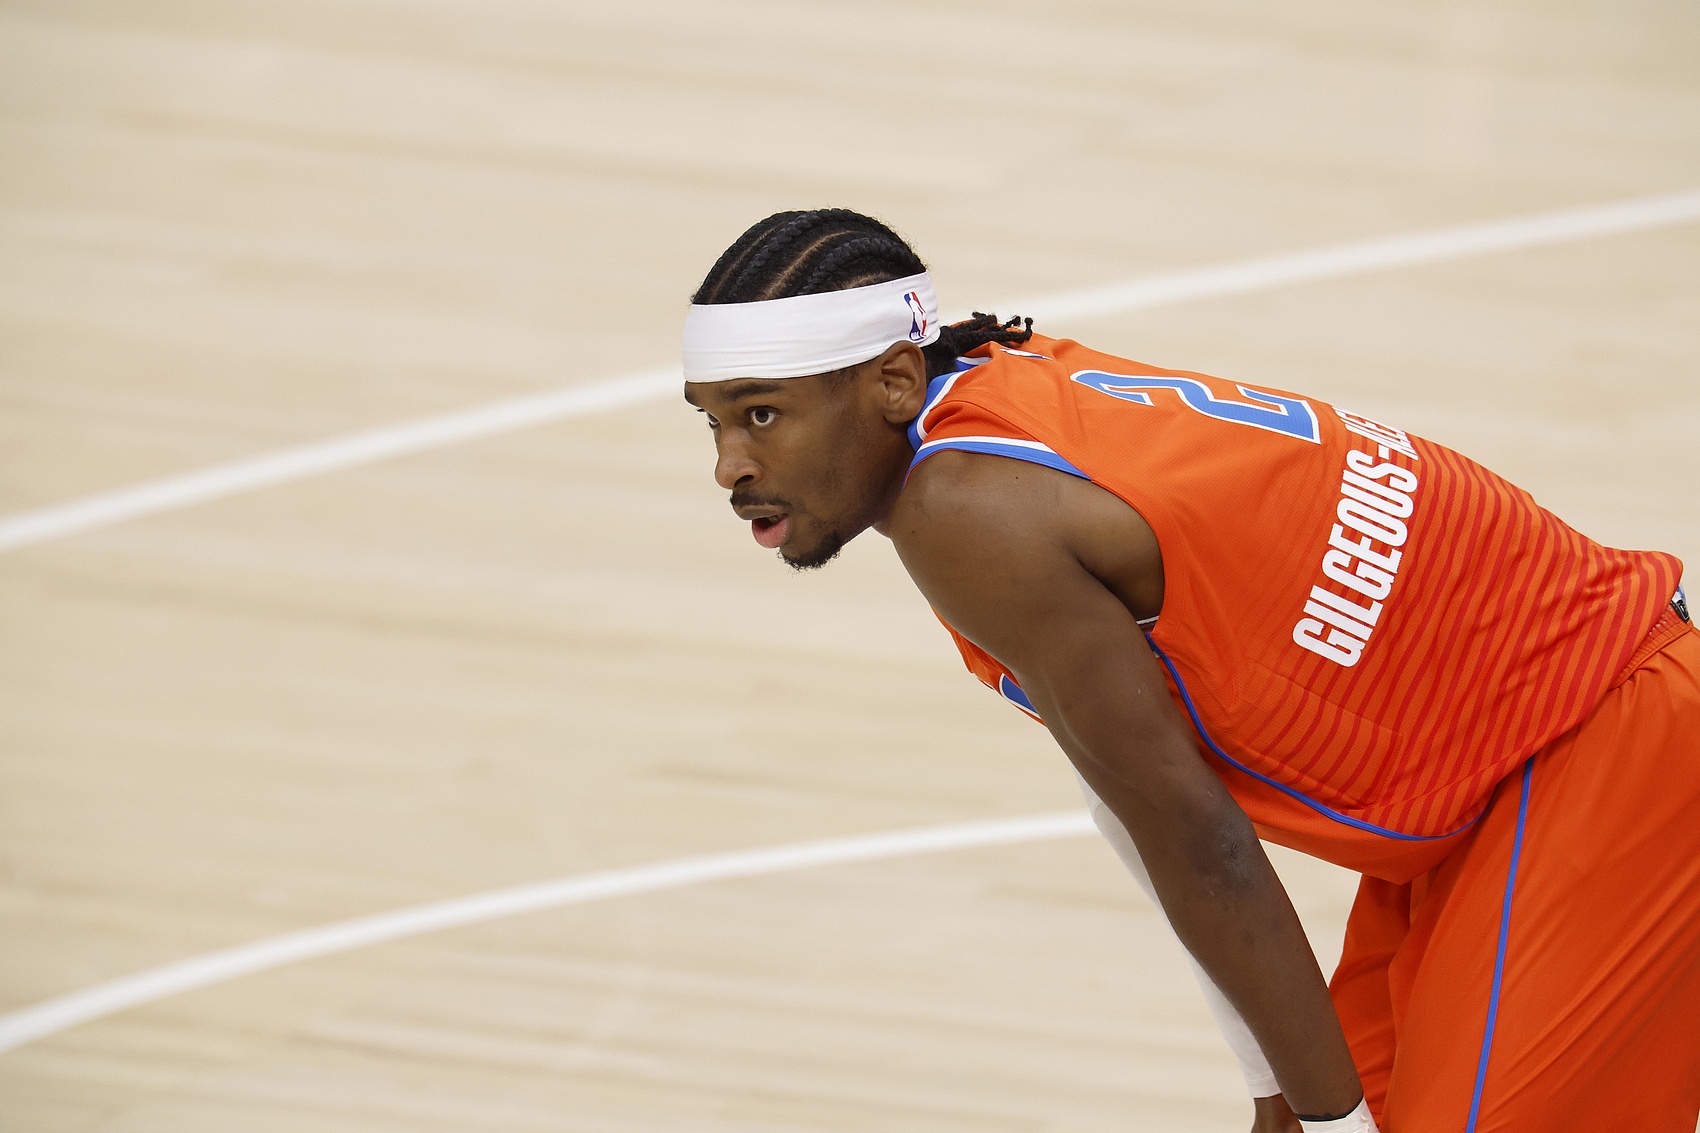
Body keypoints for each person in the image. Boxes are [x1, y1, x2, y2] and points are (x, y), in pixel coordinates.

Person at [679, 208, 1700, 1132]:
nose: (729, 464)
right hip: (1504, 768)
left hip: (1598, 746)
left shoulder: (967, 511)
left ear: (894, 380)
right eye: (711, 420)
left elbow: (1195, 833)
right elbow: (1128, 799)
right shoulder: (998, 392)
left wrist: (1325, 1122)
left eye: (761, 413)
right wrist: (1278, 1084)